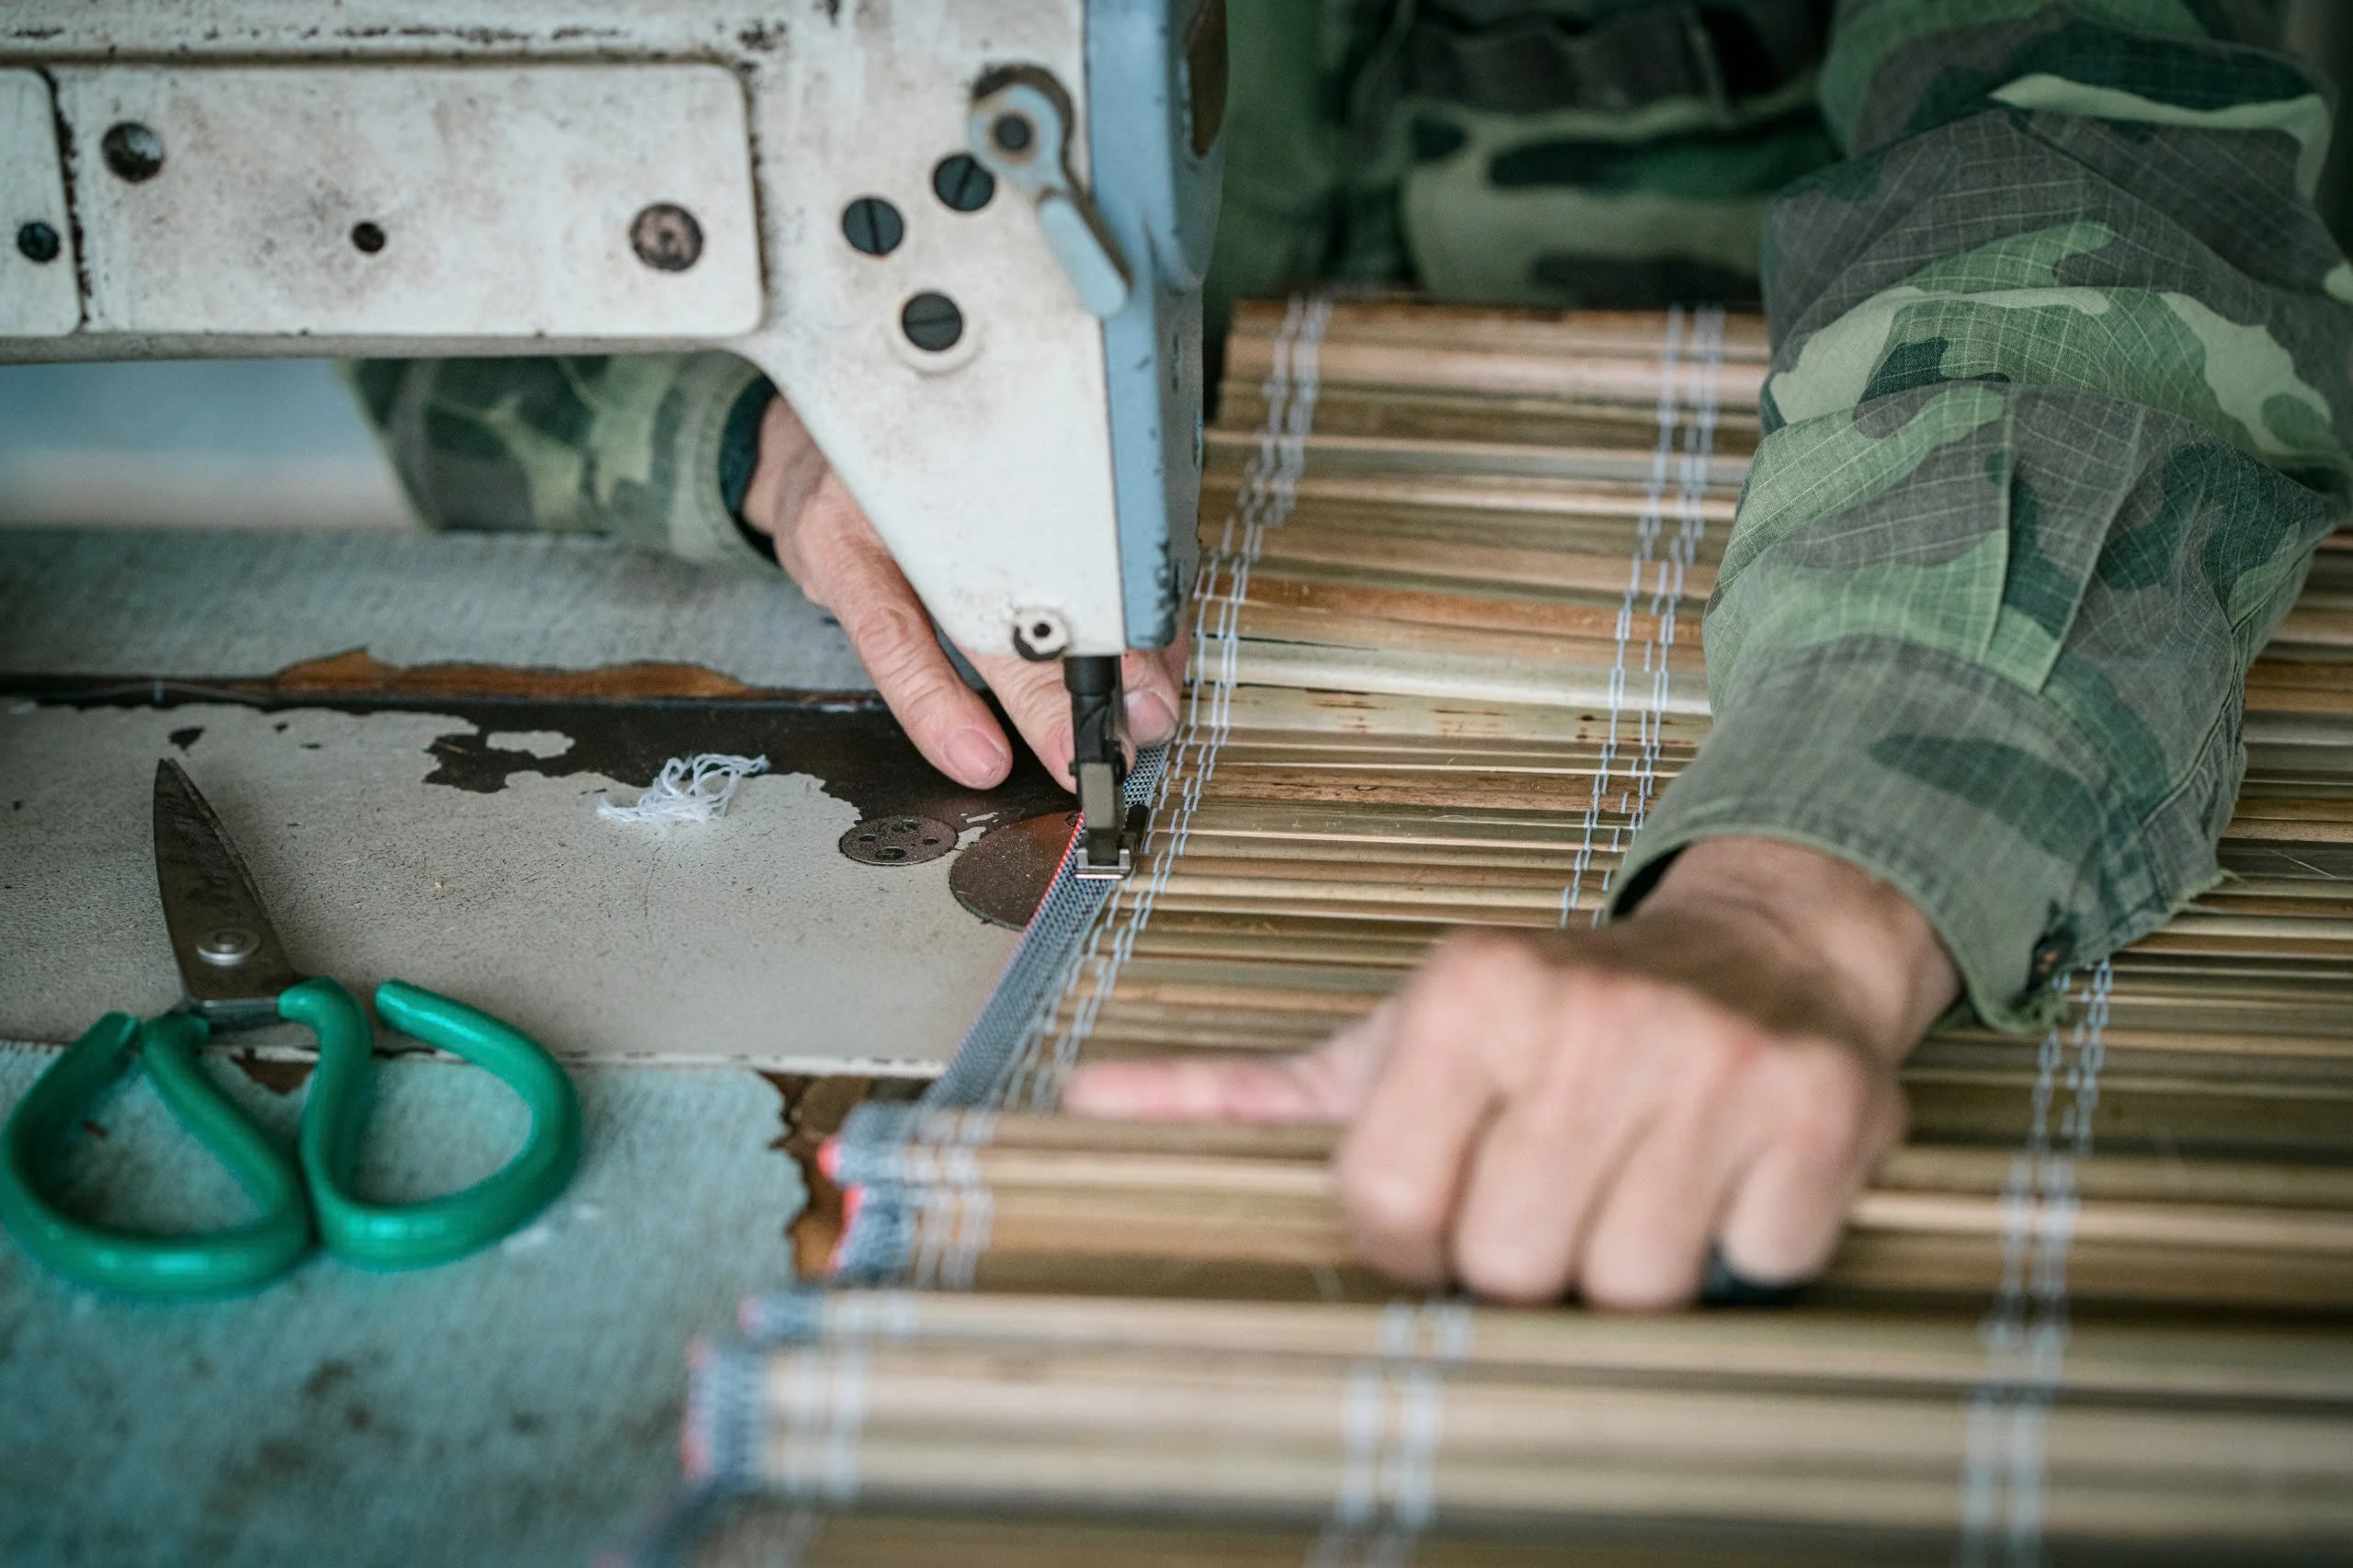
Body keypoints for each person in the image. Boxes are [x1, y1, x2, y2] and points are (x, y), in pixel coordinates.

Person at [353, 0, 2350, 1307]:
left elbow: (2109, 158)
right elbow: (393, 168)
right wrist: (784, 425)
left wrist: (1803, 893)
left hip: (1772, 493)